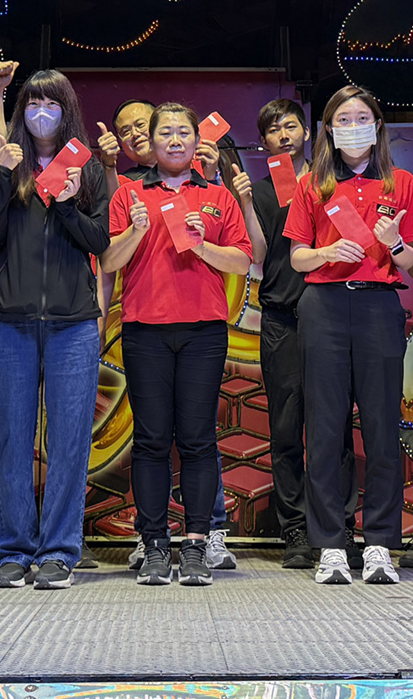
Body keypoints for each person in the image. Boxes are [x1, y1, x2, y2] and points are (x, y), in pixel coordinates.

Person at [0, 67, 112, 591]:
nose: (41, 113)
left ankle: (58, 551)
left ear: (66, 109)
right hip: (10, 321)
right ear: (21, 111)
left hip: (73, 324)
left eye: (51, 104)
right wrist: (1, 175)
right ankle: (12, 549)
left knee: (69, 440)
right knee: (11, 438)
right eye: (32, 103)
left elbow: (100, 241)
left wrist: (70, 203)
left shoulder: (88, 166)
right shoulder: (7, 164)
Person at [103, 102, 251, 587]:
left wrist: (204, 246)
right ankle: (153, 544)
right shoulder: (129, 194)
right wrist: (136, 230)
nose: (174, 140)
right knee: (150, 440)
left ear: (196, 141)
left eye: (183, 132)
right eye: (164, 132)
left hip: (203, 331)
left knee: (197, 439)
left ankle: (195, 543)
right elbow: (108, 261)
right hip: (144, 329)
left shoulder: (218, 196)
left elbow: (242, 261)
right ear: (151, 141)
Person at [285, 85, 413, 586]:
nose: (354, 127)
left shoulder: (401, 182)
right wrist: (326, 253)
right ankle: (331, 545)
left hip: (378, 305)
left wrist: (395, 243)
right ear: (329, 129)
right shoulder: (312, 184)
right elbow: (297, 257)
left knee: (382, 424)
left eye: (363, 117)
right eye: (343, 119)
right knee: (324, 427)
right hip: (323, 306)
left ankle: (380, 542)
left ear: (378, 126)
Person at [248, 98, 320, 568]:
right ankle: (294, 527)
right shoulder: (259, 191)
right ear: (264, 142)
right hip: (280, 317)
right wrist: (244, 203)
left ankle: (334, 527)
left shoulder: (328, 182)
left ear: (307, 133)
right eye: (274, 130)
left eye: (291, 126)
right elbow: (257, 255)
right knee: (286, 427)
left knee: (332, 427)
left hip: (329, 315)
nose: (284, 135)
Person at [96, 98, 157, 177]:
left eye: (140, 125)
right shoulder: (125, 182)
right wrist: (109, 165)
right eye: (126, 132)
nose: (134, 134)